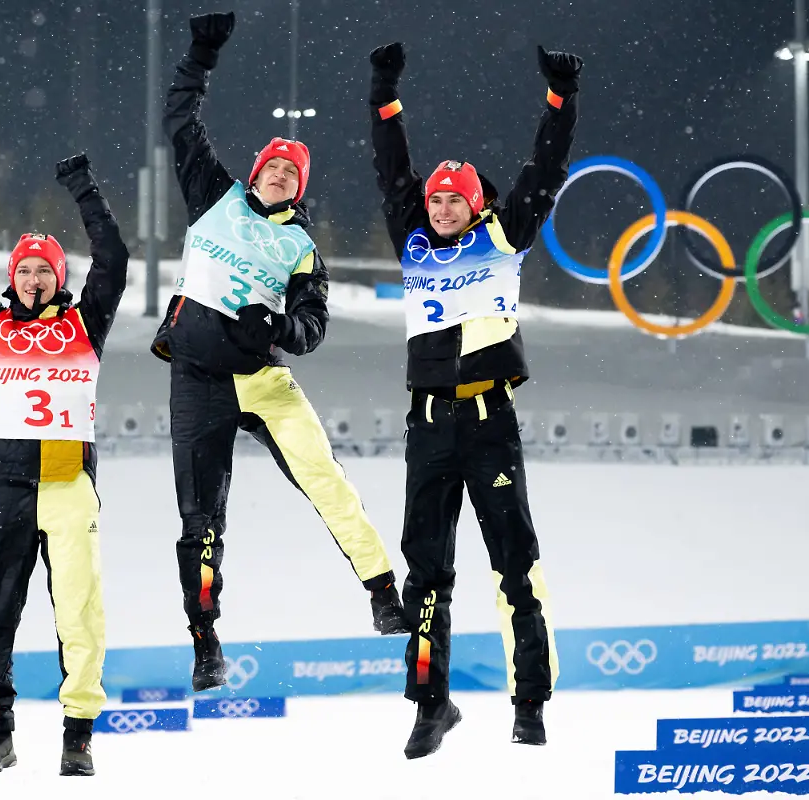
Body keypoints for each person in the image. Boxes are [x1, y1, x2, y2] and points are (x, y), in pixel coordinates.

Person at [150, 10, 411, 694]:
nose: (281, 177)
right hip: (198, 380)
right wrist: (201, 54)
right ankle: (205, 641)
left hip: (263, 380)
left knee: (326, 479)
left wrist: (278, 326)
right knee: (201, 522)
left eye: (292, 175)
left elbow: (312, 327)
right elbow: (180, 121)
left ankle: (383, 592)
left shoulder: (302, 248)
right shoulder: (215, 195)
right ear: (257, 172)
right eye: (273, 168)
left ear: (300, 188)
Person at [367, 41, 581, 758]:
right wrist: (384, 91)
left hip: (490, 423)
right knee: (427, 574)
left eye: (455, 198)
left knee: (515, 566)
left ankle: (530, 704)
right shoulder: (413, 242)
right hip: (429, 426)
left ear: (477, 203)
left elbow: (545, 170)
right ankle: (431, 704)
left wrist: (560, 100)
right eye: (436, 198)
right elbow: (391, 166)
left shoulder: (504, 235)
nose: (442, 207)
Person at [0, 147, 129, 777]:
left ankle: (78, 737)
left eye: (45, 269)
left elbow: (114, 258)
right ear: (12, 278)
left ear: (59, 276)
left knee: (79, 613)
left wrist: (83, 186)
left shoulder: (85, 324)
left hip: (70, 486)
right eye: (24, 270)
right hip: (7, 489)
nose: (34, 279)